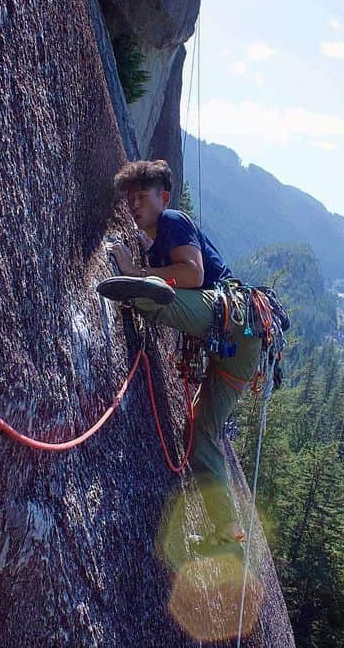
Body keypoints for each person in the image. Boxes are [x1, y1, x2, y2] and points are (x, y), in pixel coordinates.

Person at [97, 158, 261, 546]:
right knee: (200, 432)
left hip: (230, 316)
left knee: (148, 295)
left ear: (164, 196)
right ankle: (226, 529)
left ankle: (138, 290)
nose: (133, 205)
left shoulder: (173, 220)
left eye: (141, 196)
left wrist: (134, 273)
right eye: (129, 198)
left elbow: (194, 275)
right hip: (240, 346)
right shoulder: (156, 241)